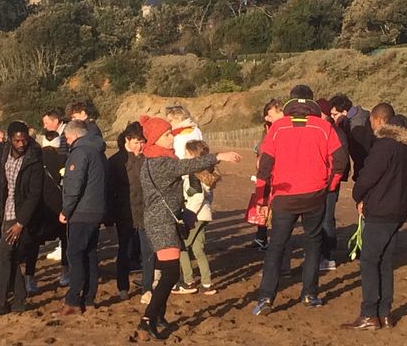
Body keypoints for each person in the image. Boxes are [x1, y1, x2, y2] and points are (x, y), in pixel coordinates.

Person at [137, 115, 241, 340]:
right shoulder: (161, 162)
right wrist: (218, 156)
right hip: (162, 223)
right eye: (166, 135)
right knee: (171, 273)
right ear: (155, 139)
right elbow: (189, 165)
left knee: (167, 272)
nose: (171, 138)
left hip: (163, 220)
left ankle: (158, 315)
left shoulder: (152, 159)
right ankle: (147, 320)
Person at [253, 85, 348, 316]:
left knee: (276, 246)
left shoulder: (277, 128)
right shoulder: (325, 127)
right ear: (313, 102)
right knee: (313, 243)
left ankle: (266, 297)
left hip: (284, 197)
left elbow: (264, 166)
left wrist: (261, 199)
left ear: (290, 103)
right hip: (315, 195)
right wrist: (330, 186)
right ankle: (310, 293)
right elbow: (340, 160)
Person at [342, 104, 407, 330]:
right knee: (384, 261)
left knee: (370, 261)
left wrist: (359, 195)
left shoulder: (384, 146)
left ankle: (369, 314)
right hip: (398, 210)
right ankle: (385, 313)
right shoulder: (406, 148)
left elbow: (367, 177)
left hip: (381, 211)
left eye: (372, 121)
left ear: (379, 120)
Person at [0, 121, 44, 316]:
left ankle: (1, 301)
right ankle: (19, 298)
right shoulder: (3, 152)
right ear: (10, 139)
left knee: (2, 253)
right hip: (3, 210)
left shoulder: (34, 157)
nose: (21, 144)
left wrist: (20, 223)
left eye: (24, 139)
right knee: (10, 256)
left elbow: (34, 195)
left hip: (20, 214)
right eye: (17, 140)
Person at [55, 120, 109, 316]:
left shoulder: (79, 153)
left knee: (75, 255)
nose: (68, 142)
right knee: (90, 254)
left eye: (68, 139)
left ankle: (73, 299)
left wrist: (65, 210)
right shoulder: (98, 152)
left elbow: (73, 185)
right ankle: (89, 298)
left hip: (81, 212)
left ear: (74, 136)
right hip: (96, 210)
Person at [108, 122, 152, 302]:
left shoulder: (147, 160)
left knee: (147, 251)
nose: (140, 146)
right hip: (124, 214)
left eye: (142, 142)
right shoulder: (115, 162)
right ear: (127, 140)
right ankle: (122, 287)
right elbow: (109, 192)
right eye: (136, 142)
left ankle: (147, 288)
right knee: (124, 250)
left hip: (145, 212)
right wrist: (109, 219)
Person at [173, 140, 221, 296]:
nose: (183, 156)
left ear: (193, 155)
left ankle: (188, 281)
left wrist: (187, 216)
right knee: (198, 249)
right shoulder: (205, 175)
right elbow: (207, 197)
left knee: (182, 248)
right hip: (204, 215)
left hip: (194, 216)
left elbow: (197, 197)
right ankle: (207, 283)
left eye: (186, 153)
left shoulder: (193, 176)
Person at [316, 98, 350, 271]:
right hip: (319, 182)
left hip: (329, 184)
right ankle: (319, 252)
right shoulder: (321, 130)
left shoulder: (334, 132)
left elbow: (341, 162)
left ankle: (328, 256)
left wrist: (331, 184)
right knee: (318, 218)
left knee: (327, 219)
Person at [249, 99, 284, 251]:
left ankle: (267, 239)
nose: (268, 119)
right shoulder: (269, 130)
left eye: (271, 115)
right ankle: (261, 237)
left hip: (279, 177)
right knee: (263, 204)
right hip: (268, 174)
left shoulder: (282, 129)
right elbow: (261, 152)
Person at [40, 130, 70, 287]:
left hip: (40, 205)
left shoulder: (35, 159)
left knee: (34, 242)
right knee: (65, 238)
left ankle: (30, 277)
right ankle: (64, 273)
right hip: (59, 204)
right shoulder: (63, 159)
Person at [329, 94, 373, 181]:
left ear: (344, 112)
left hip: (365, 169)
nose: (332, 117)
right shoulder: (350, 118)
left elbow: (361, 154)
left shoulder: (358, 126)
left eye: (335, 114)